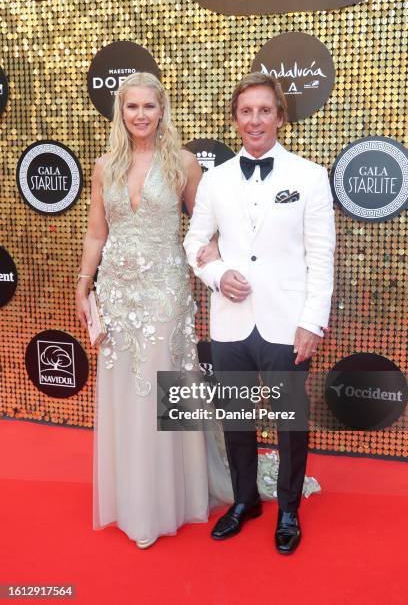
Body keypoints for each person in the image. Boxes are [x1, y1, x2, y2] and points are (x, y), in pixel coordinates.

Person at [184, 72, 335, 553]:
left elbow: (321, 257)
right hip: (230, 322)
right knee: (235, 418)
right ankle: (245, 500)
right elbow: (194, 241)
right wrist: (216, 274)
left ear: (280, 117)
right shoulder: (214, 180)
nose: (255, 120)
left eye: (264, 110)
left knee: (290, 422)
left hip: (286, 321)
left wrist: (311, 321)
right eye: (246, 111)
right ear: (235, 119)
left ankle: (289, 508)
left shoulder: (309, 177)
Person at [75, 72, 220, 549]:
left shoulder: (182, 163)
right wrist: (84, 283)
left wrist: (216, 272)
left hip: (164, 291)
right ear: (121, 112)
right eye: (132, 107)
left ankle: (167, 502)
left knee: (162, 389)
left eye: (149, 107)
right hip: (117, 293)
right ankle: (131, 498)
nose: (140, 115)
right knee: (125, 392)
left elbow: (204, 230)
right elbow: (98, 232)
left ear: (163, 111)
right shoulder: (104, 167)